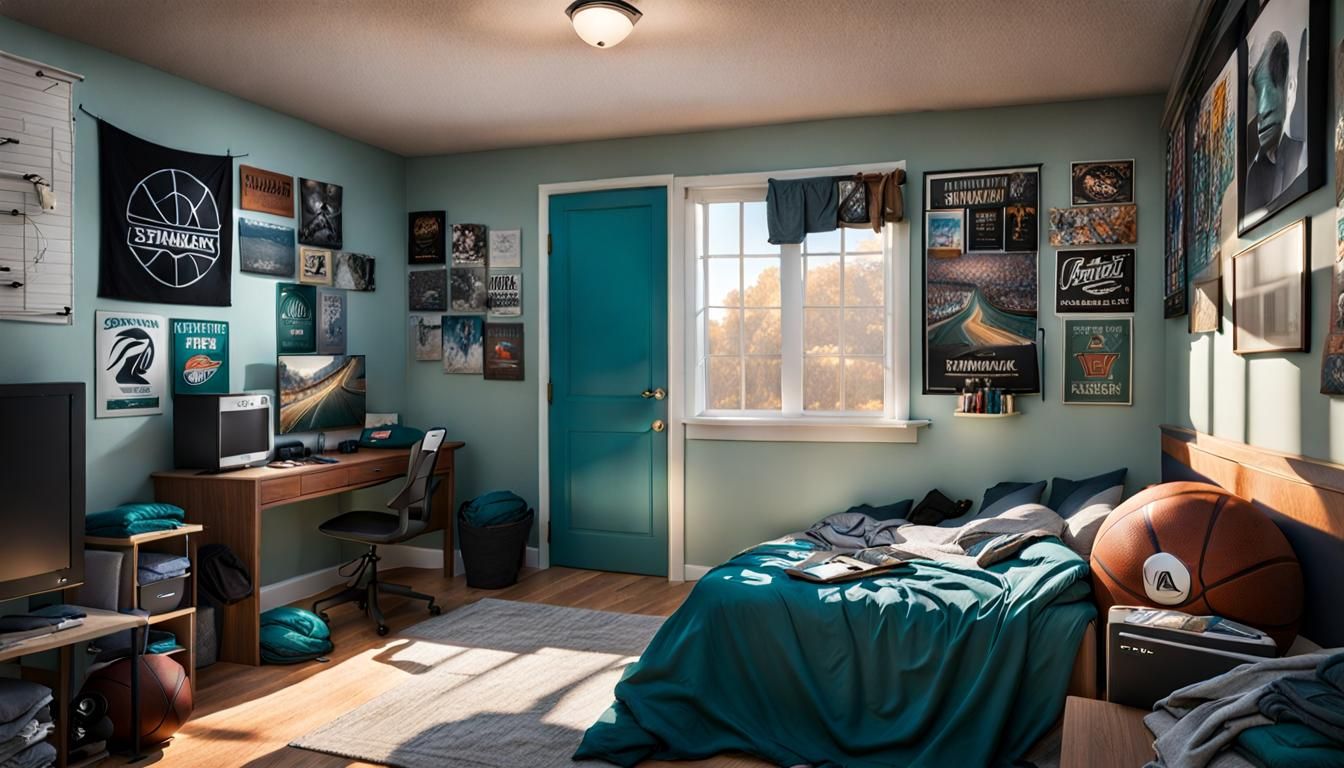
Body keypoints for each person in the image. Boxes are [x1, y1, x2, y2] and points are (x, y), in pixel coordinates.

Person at [1244, 30, 1306, 216]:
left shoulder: (1303, 157)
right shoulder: (1252, 174)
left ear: (1291, 89)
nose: (1261, 110)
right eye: (1257, 91)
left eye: (1270, 86)